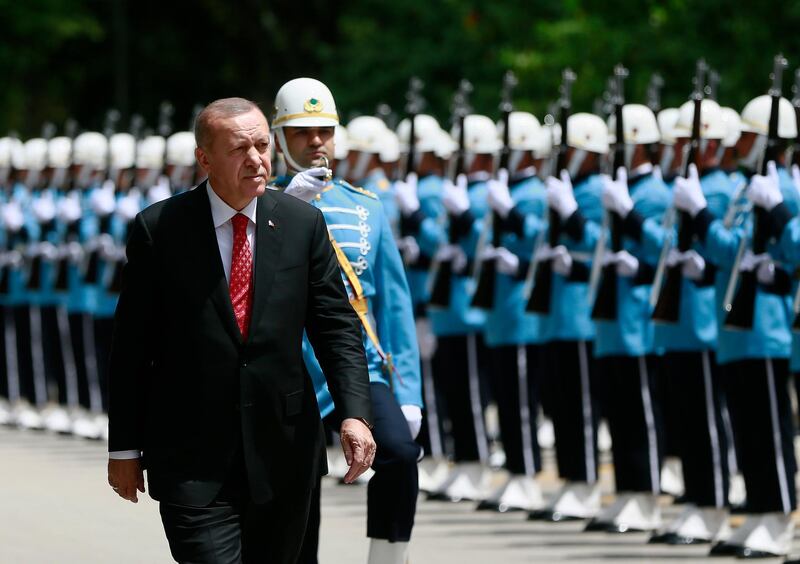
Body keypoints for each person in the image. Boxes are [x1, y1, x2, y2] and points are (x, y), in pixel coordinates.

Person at [106, 97, 376, 564]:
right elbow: (132, 348)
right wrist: (125, 447)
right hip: (191, 457)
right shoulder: (160, 230)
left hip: (284, 452)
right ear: (205, 158)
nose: (256, 159)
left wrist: (355, 413)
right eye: (239, 148)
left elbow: (336, 328)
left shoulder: (300, 224)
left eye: (261, 145)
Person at [270, 77, 422, 564]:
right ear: (278, 139)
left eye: (325, 131)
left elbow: (394, 305)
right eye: (302, 132)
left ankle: (386, 557)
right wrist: (284, 208)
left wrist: (411, 392)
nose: (316, 141)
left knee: (399, 453)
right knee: (300, 482)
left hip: (357, 366)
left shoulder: (366, 208)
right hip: (290, 369)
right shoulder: (264, 205)